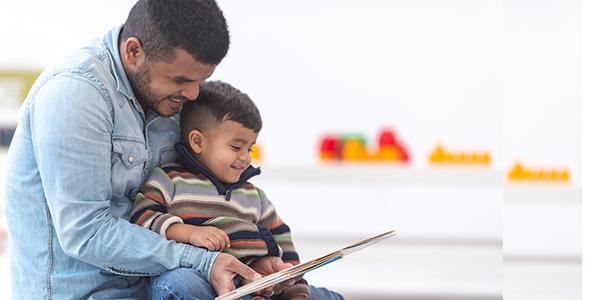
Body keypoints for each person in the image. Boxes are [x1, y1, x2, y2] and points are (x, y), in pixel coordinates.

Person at [3, 0, 269, 298]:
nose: (194, 94)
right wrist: (203, 261)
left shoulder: (173, 97)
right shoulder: (76, 91)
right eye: (181, 80)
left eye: (201, 81)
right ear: (133, 52)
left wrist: (254, 262)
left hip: (155, 288)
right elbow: (85, 232)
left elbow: (198, 195)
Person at [130, 80, 344, 300]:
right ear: (197, 142)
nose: (245, 157)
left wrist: (293, 287)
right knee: (176, 284)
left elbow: (282, 240)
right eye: (236, 147)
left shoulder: (254, 196)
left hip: (257, 285)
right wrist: (189, 232)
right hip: (204, 283)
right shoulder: (170, 179)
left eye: (250, 148)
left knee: (331, 297)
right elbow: (141, 217)